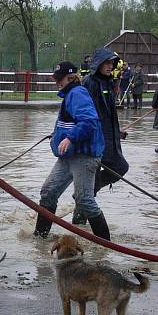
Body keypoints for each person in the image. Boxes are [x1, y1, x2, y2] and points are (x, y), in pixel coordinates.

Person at [34, 62, 109, 240]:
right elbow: (70, 122)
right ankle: (40, 238)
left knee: (85, 201)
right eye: (56, 79)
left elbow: (89, 122)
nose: (57, 83)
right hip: (69, 155)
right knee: (48, 192)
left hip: (84, 156)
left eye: (59, 79)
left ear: (70, 77)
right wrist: (58, 136)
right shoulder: (70, 94)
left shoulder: (77, 93)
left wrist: (69, 138)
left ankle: (105, 245)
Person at [75, 47, 129, 225]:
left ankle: (88, 193)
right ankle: (79, 223)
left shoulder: (108, 82)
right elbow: (87, 113)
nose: (109, 65)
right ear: (98, 64)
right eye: (106, 62)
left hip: (108, 138)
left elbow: (108, 113)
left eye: (112, 63)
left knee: (120, 167)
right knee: (92, 180)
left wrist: (116, 132)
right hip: (94, 141)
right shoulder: (90, 82)